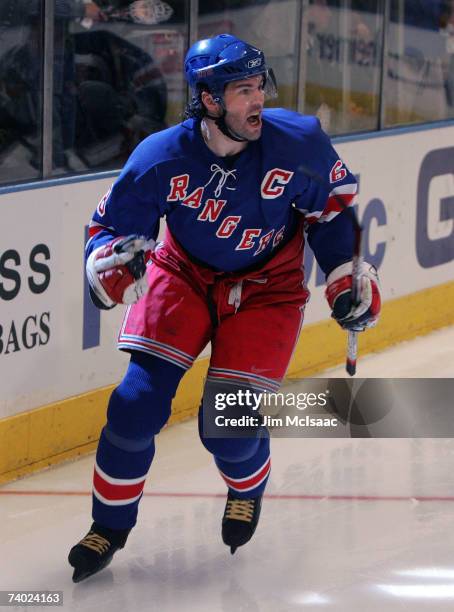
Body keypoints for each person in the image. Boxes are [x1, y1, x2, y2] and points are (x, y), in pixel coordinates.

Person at [68, 33, 381, 583]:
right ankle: (109, 525)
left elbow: (331, 216)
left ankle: (246, 488)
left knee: (227, 426)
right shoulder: (161, 155)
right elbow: (113, 230)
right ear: (208, 99)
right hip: (183, 274)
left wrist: (342, 278)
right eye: (242, 90)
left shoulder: (299, 142)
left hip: (268, 287)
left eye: (260, 85)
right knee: (133, 407)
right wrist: (109, 265)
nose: (257, 99)